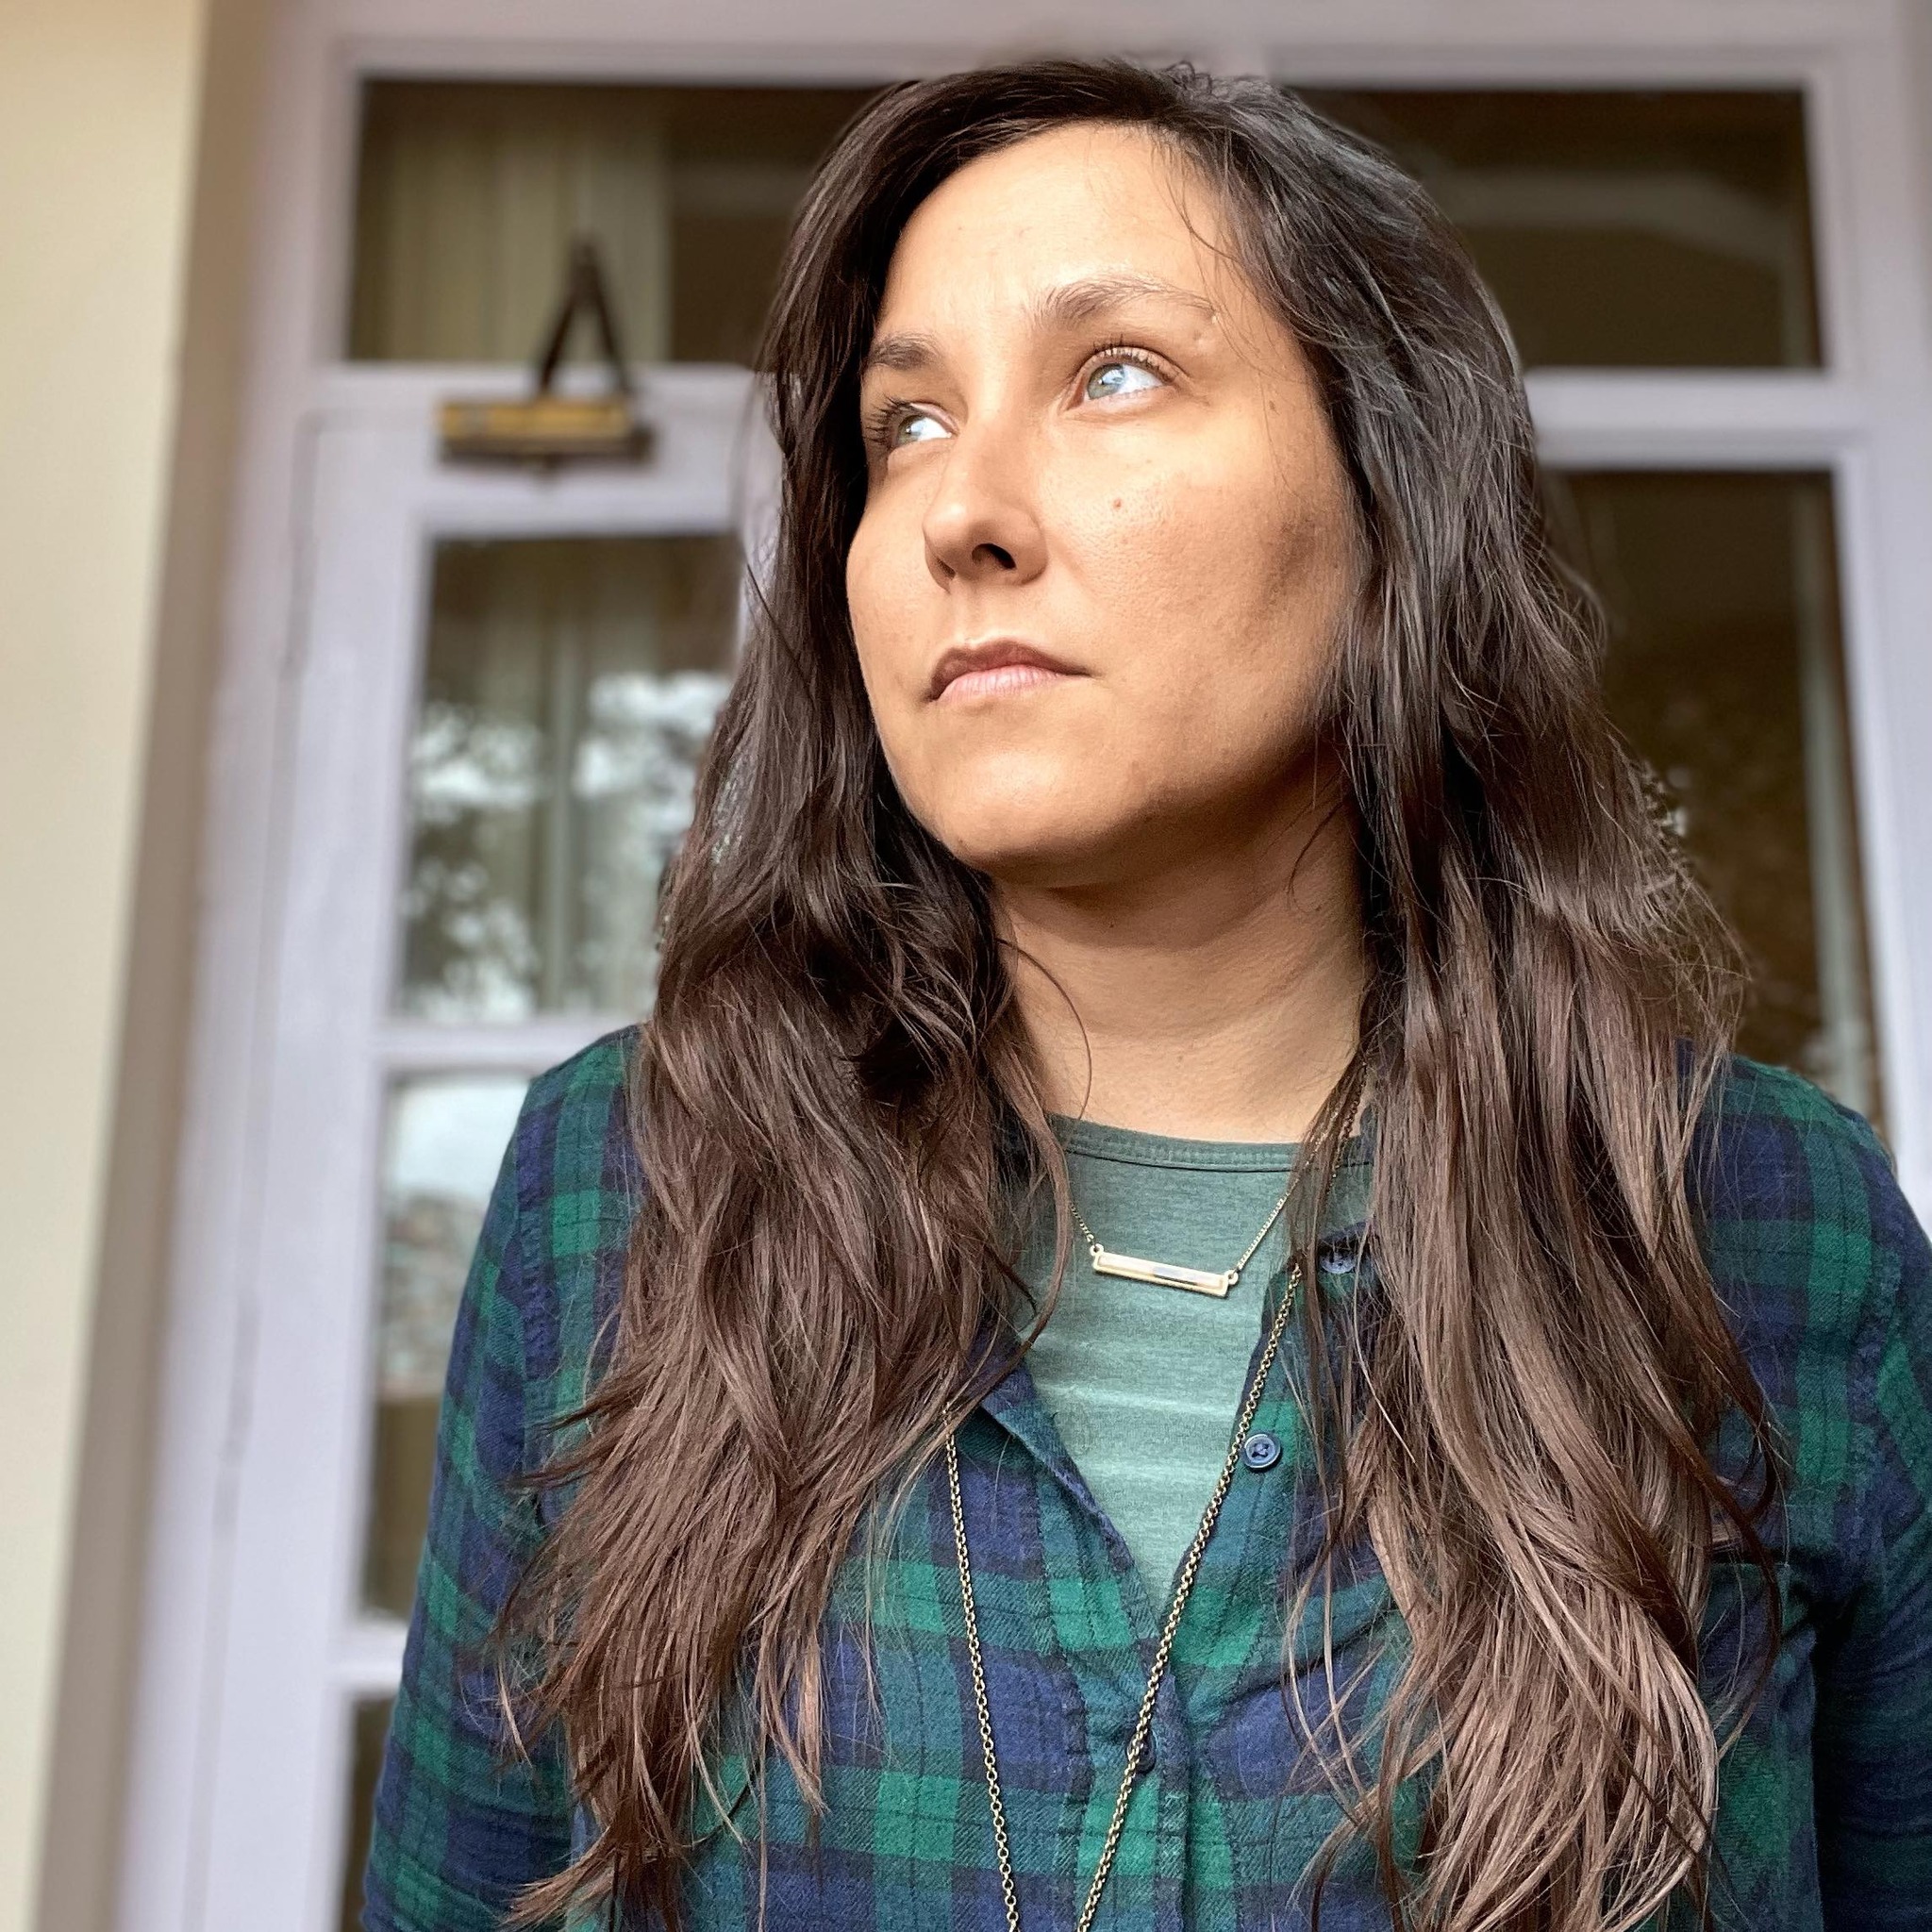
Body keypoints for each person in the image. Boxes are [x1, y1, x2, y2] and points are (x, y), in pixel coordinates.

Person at [362, 57, 1932, 1932]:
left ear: (1391, 504)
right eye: (905, 425)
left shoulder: (1767, 1225)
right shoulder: (625, 1186)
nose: (961, 512)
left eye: (1114, 374)